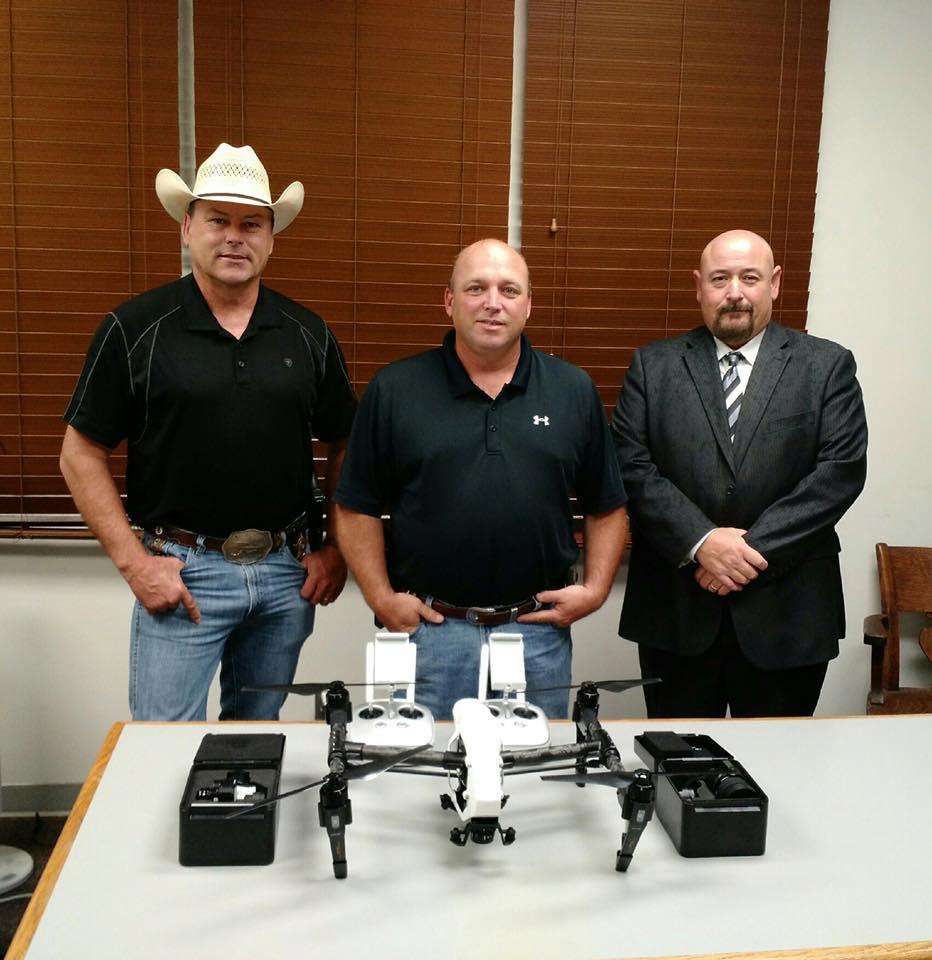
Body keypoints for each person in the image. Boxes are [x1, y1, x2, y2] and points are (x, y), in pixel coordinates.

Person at [60, 143, 357, 721]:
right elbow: (80, 454)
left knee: (255, 743)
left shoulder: (308, 333)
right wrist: (134, 563)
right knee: (162, 742)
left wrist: (335, 549)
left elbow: (347, 443)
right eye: (218, 220)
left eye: (252, 224)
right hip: (182, 574)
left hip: (284, 575)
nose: (234, 237)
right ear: (187, 228)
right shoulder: (134, 328)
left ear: (271, 237)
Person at [333, 238, 629, 720]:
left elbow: (607, 504)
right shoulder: (395, 390)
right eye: (476, 288)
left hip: (537, 633)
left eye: (509, 290)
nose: (493, 303)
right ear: (449, 300)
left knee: (531, 772)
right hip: (430, 632)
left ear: (528, 304)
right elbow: (356, 505)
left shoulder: (572, 390)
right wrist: (380, 597)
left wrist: (595, 590)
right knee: (424, 773)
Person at [612, 229, 867, 718]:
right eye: (720, 278)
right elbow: (631, 466)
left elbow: (839, 472)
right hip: (677, 613)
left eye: (749, 277)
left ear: (773, 283)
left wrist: (745, 553)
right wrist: (702, 542)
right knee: (679, 768)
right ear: (698, 287)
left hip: (788, 612)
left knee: (781, 774)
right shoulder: (653, 366)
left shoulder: (826, 366)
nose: (734, 292)